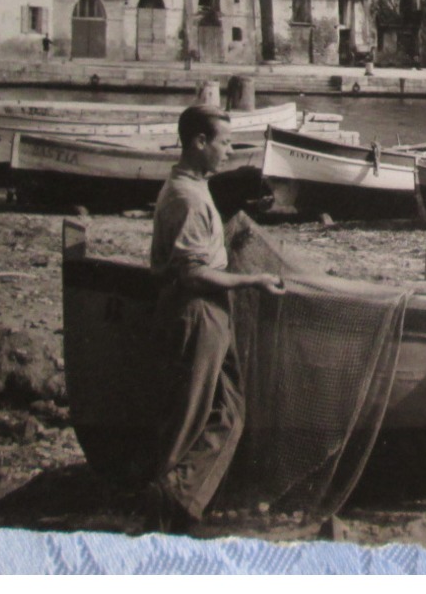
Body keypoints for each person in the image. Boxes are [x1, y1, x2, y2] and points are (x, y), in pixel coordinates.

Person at [146, 102, 283, 532]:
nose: (228, 151)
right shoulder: (186, 198)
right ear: (198, 142)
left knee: (230, 411)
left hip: (210, 312)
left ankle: (181, 497)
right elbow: (191, 273)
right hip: (198, 312)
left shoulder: (192, 185)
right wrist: (253, 280)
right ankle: (166, 506)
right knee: (191, 415)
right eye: (223, 143)